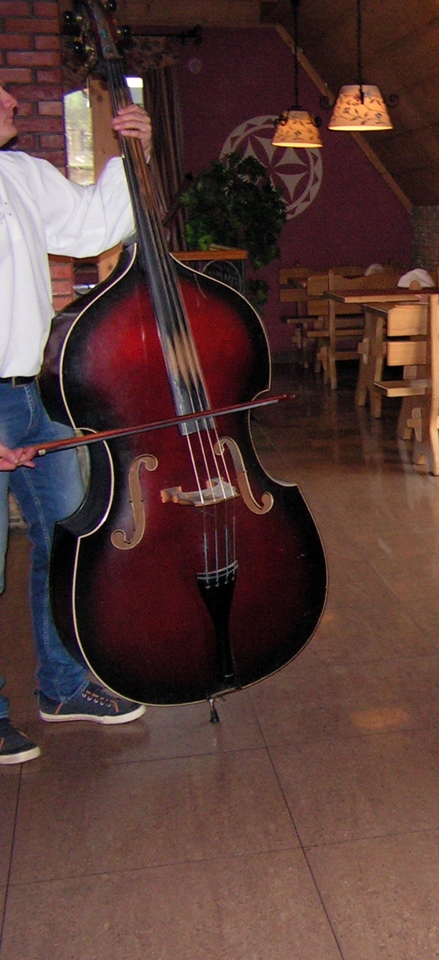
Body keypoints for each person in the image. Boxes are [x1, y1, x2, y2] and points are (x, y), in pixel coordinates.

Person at [0, 81, 151, 763]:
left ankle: (62, 688)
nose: (12, 100)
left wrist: (132, 153)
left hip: (33, 392)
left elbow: (94, 227)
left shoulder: (21, 173)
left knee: (66, 540)